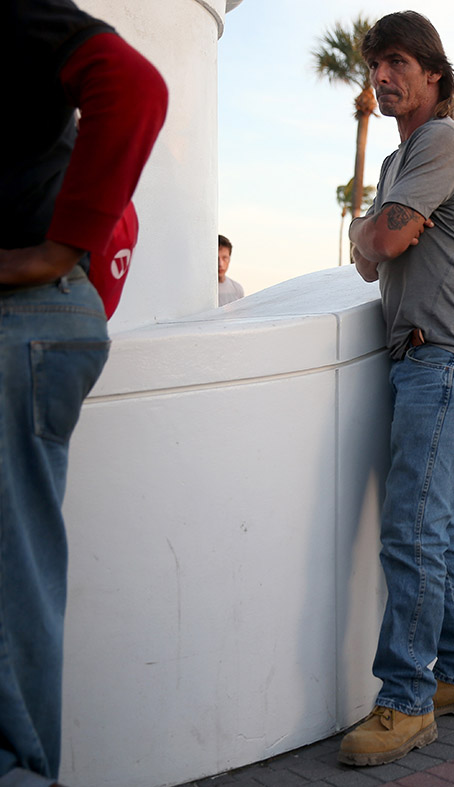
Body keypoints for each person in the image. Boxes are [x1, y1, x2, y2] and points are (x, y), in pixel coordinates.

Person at [0, 2, 167, 784]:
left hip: (22, 312)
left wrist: (56, 249)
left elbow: (134, 85)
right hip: (43, 312)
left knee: (8, 579)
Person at [338, 12, 454, 767]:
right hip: (425, 355)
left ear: (434, 73)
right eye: (376, 65)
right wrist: (376, 230)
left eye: (398, 62)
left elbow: (386, 240)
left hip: (447, 355)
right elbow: (375, 257)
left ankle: (406, 699)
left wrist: (374, 228)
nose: (383, 76)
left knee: (409, 526)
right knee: (431, 524)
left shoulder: (442, 139)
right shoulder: (400, 158)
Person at [218, 234, 244, 305]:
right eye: (216, 259)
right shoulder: (200, 290)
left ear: (229, 259)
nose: (220, 264)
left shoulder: (237, 289)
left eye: (224, 258)